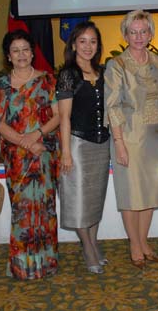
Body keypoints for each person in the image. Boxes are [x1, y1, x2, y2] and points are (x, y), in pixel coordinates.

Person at [0, 29, 60, 280]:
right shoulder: (2, 84)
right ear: (8, 56)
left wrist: (37, 135)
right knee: (22, 209)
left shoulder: (48, 80)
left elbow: (59, 116)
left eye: (25, 50)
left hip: (44, 154)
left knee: (44, 208)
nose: (21, 55)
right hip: (17, 157)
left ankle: (46, 263)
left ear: (32, 53)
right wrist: (25, 141)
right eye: (15, 50)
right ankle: (22, 265)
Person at [104, 9, 158, 269]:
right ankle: (134, 244)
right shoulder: (116, 65)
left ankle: (143, 241)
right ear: (125, 35)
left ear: (151, 34)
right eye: (133, 32)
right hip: (127, 137)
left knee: (150, 191)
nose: (139, 37)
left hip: (155, 138)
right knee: (130, 193)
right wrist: (119, 142)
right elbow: (113, 106)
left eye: (143, 31)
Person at [57, 21, 111, 274]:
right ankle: (88, 248)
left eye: (93, 41)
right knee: (78, 200)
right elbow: (64, 117)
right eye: (83, 41)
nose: (88, 46)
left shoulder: (103, 72)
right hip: (77, 145)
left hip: (102, 145)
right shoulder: (68, 74)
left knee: (94, 200)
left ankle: (93, 242)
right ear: (73, 45)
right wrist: (66, 152)